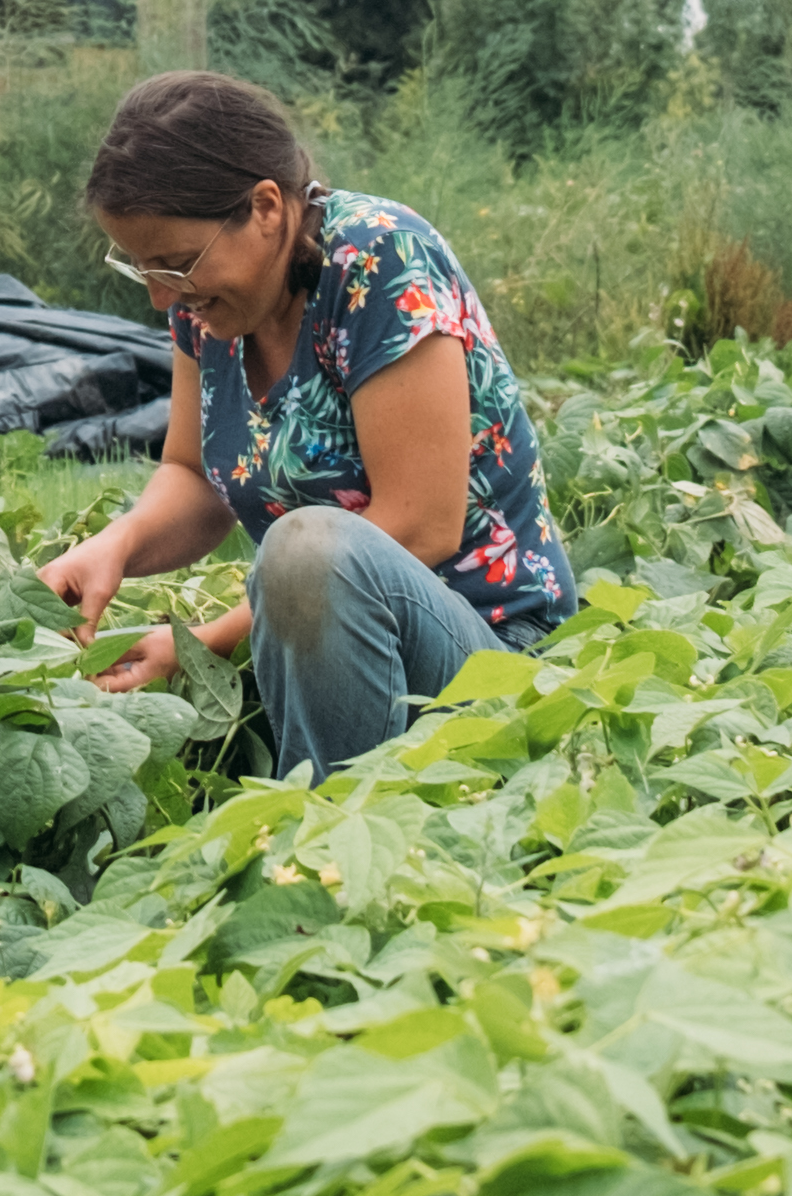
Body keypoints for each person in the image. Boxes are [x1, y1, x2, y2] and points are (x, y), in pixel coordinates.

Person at [38, 71, 573, 775]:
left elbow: (421, 524)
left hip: (493, 655)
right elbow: (193, 475)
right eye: (142, 269)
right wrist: (116, 545)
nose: (163, 295)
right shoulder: (210, 306)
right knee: (299, 557)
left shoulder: (380, 260)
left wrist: (206, 642)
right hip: (326, 649)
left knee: (304, 549)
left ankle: (326, 842)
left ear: (265, 207)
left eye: (175, 263)